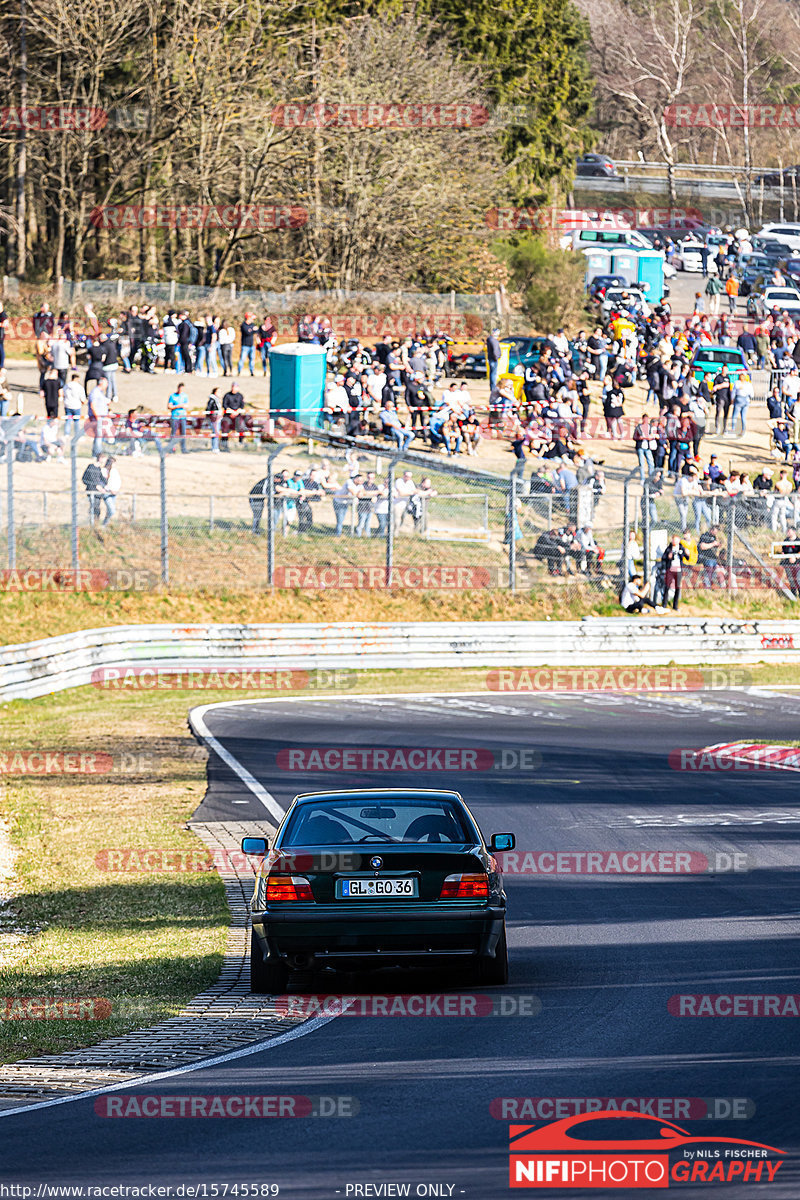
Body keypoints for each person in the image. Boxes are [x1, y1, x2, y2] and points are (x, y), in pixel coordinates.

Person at [660, 533, 690, 610]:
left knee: (677, 588)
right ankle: (664, 604)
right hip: (670, 570)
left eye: (676, 540)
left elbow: (687, 558)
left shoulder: (681, 548)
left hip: (678, 570)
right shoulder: (669, 548)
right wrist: (668, 557)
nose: (675, 542)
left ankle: (675, 606)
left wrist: (687, 553)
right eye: (674, 540)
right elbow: (663, 558)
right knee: (667, 587)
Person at [81, 455, 106, 523]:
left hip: (98, 492)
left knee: (97, 508)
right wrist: (96, 486)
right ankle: (91, 522)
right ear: (100, 458)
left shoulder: (99, 469)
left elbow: (103, 480)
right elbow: (88, 479)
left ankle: (96, 522)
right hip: (92, 490)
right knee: (93, 507)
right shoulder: (91, 467)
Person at [167, 382, 188, 453]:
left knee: (183, 433)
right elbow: (169, 406)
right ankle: (171, 448)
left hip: (182, 417)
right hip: (175, 417)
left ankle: (183, 448)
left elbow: (186, 405)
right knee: (173, 433)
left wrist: (181, 406)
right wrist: (178, 406)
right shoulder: (172, 396)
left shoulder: (185, 396)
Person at [101, 456, 120, 525]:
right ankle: (104, 524)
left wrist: (116, 490)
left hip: (114, 493)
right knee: (112, 510)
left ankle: (106, 524)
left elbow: (118, 481)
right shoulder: (103, 470)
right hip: (107, 493)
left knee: (109, 510)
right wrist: (109, 489)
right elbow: (104, 482)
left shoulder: (114, 471)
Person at [206, 387, 222, 452]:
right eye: (219, 392)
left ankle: (215, 447)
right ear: (215, 392)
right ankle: (215, 447)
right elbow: (208, 410)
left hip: (218, 418)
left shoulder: (217, 400)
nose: (220, 393)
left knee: (216, 432)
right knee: (215, 432)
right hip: (214, 418)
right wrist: (213, 416)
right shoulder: (212, 400)